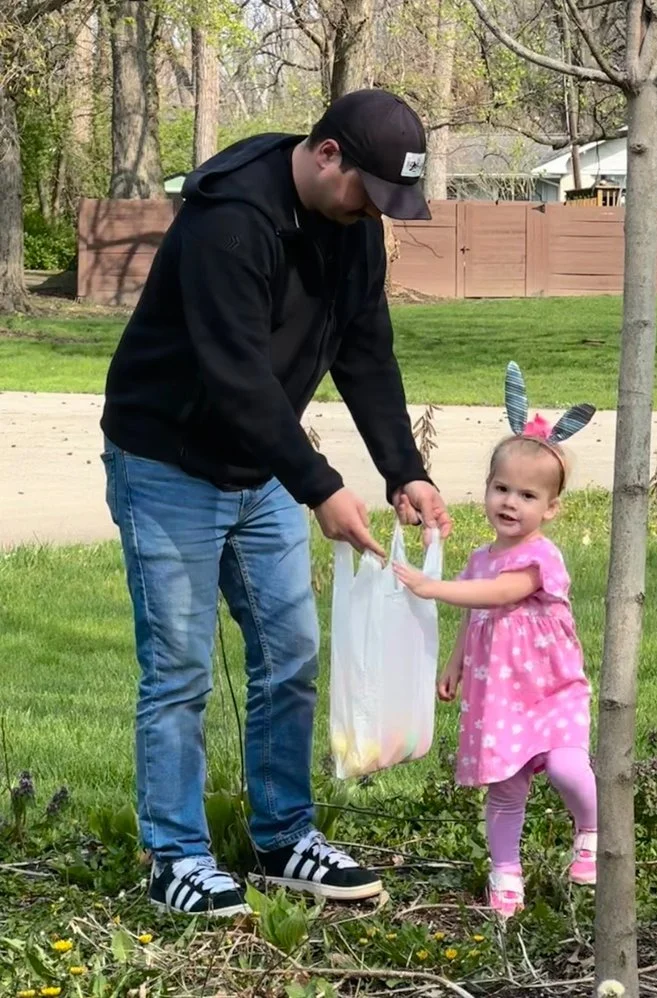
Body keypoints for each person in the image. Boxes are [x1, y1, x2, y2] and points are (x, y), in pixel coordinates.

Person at [100, 88, 451, 917]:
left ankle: (283, 837)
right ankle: (176, 856)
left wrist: (404, 468)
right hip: (166, 461)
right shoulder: (229, 220)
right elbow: (236, 376)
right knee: (180, 669)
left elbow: (366, 350)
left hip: (256, 465)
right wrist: (320, 487)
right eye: (369, 191)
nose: (374, 212)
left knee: (290, 651)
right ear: (328, 154)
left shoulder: (353, 228)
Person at [393, 362, 597, 919]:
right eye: (501, 488)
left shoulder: (540, 556)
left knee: (566, 767)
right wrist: (456, 662)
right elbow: (476, 614)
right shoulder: (481, 558)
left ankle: (591, 829)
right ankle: (505, 872)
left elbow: (501, 594)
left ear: (550, 508)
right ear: (486, 490)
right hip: (501, 697)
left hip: (551, 689)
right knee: (505, 787)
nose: (510, 502)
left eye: (527, 495)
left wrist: (432, 587)